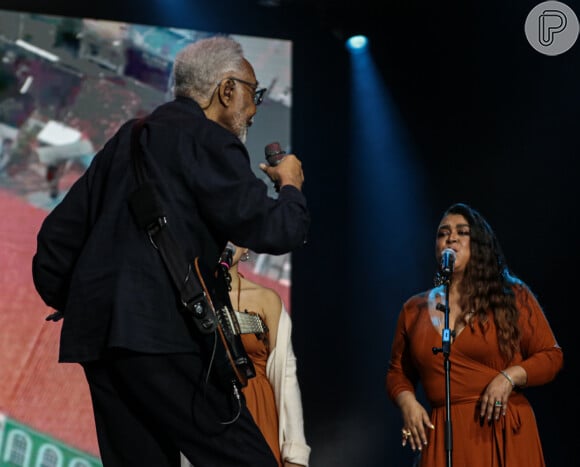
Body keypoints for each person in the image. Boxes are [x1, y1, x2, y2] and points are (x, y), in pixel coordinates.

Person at [32, 35, 309, 467]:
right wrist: (290, 185)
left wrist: (88, 303)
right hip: (165, 337)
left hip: (102, 344)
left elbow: (54, 244)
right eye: (253, 95)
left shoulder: (129, 138)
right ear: (226, 89)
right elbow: (276, 229)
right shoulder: (210, 140)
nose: (254, 109)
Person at [385, 202, 563, 466]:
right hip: (444, 436)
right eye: (443, 233)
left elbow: (551, 356)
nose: (451, 237)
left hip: (501, 431)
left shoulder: (512, 297)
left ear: (479, 244)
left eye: (462, 232)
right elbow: (397, 372)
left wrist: (509, 376)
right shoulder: (415, 310)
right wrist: (408, 403)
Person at [182, 243, 311, 467]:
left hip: (260, 412)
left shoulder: (266, 299)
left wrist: (295, 453)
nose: (226, 243)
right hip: (212, 413)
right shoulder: (193, 302)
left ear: (246, 246)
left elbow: (287, 374)